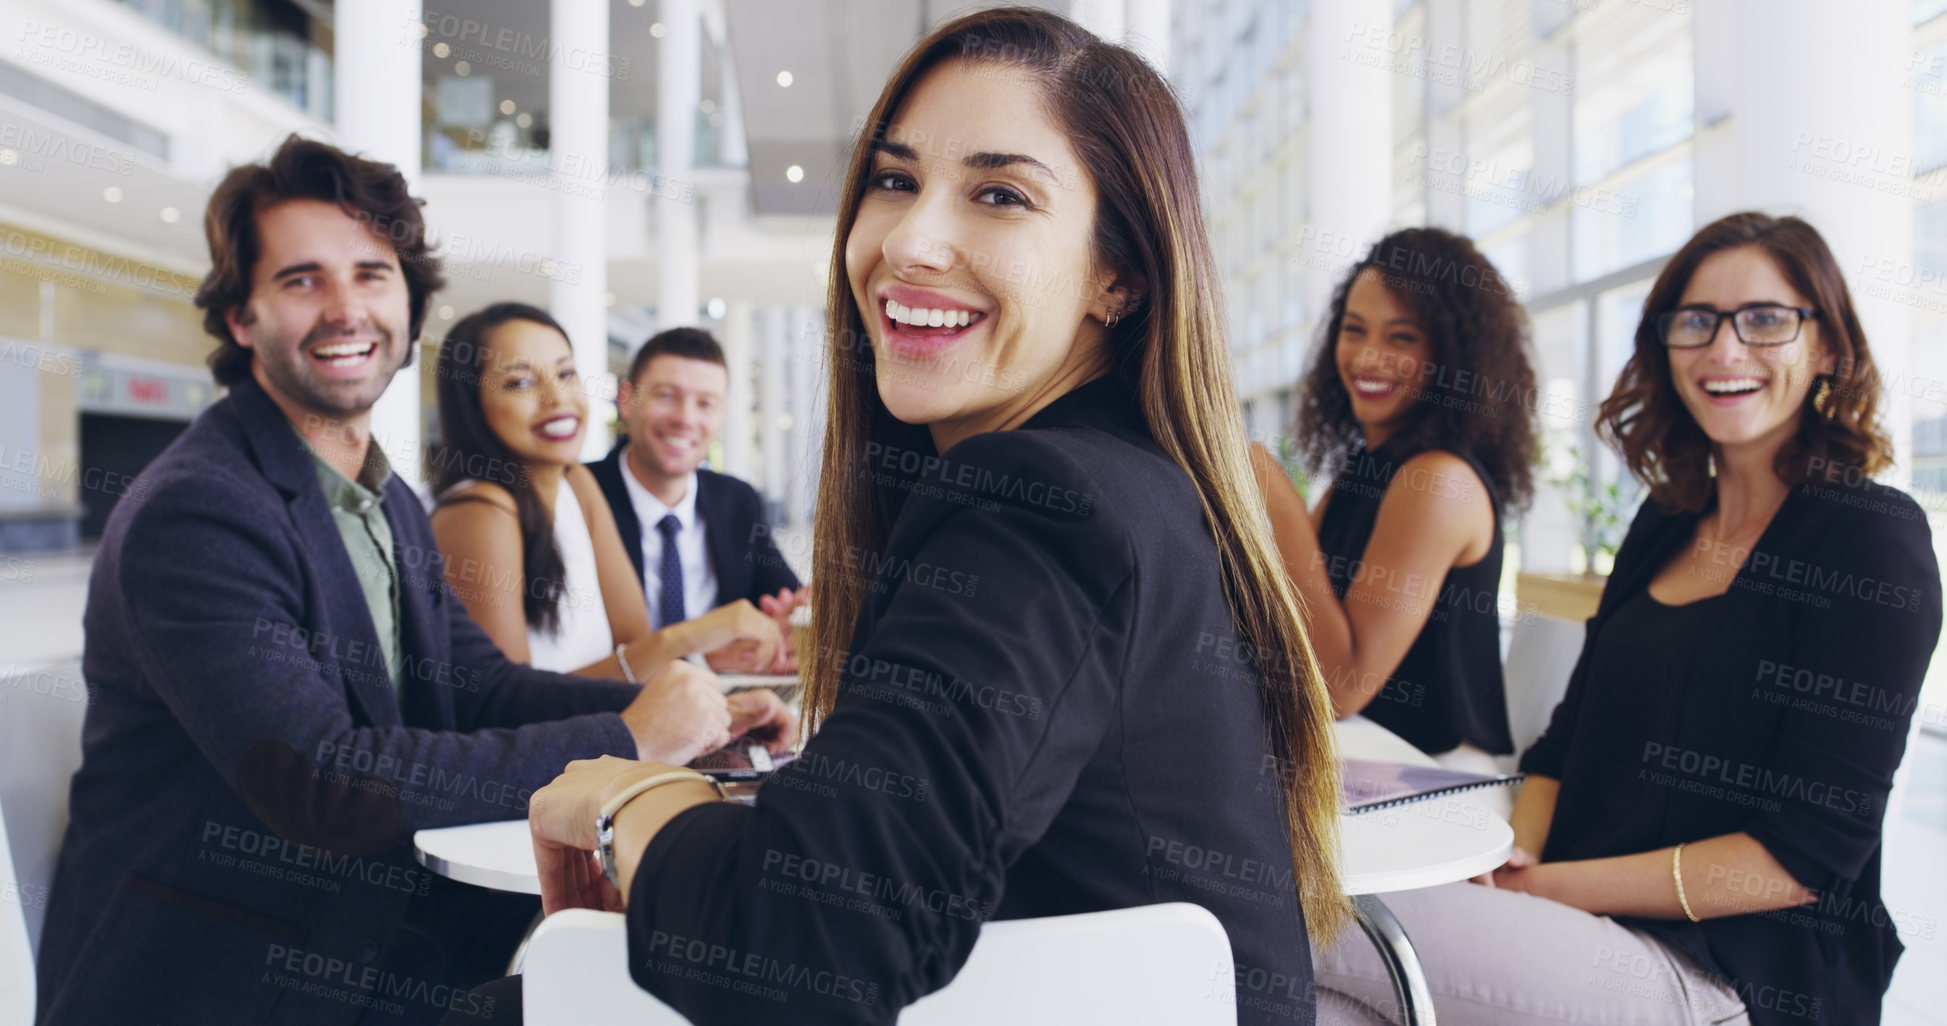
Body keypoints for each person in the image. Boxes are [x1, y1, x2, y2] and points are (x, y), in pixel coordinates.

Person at [458, 8, 1346, 1025]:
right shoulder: (1132, 480)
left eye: (1000, 195)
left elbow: (807, 940)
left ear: (1120, 274)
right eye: (894, 180)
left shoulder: (1038, 498)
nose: (911, 241)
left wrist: (631, 801)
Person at [32, 136, 788, 1026]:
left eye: (371, 274)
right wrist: (626, 737)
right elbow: (321, 782)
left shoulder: (379, 497)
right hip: (233, 972)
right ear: (242, 319)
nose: (345, 309)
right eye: (301, 280)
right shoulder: (198, 512)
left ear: (410, 304)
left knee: (664, 969)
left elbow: (481, 688)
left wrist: (696, 721)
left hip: (373, 933)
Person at [1313, 212, 1940, 1026]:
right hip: (1572, 907)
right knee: (1316, 999)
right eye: (1695, 322)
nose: (1723, 350)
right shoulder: (1668, 520)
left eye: (1764, 320)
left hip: (1724, 972)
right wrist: (1521, 851)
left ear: (1826, 348)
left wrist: (1546, 886)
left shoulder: (1868, 539)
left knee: (1303, 909)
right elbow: (1564, 741)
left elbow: (1799, 860)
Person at [1251, 228, 1537, 777]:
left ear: (1451, 355)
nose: (1367, 357)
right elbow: (1298, 631)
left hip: (1436, 780)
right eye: (1353, 331)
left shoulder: (1439, 482)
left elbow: (1340, 688)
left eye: (1401, 338)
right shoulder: (1362, 472)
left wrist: (1277, 502)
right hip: (1363, 761)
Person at [428, 303, 788, 680]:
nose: (558, 398)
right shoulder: (480, 511)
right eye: (520, 382)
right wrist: (689, 638)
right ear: (473, 404)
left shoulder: (576, 483)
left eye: (565, 373)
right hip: (573, 737)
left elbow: (635, 649)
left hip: (616, 726)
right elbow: (510, 704)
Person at [587, 328, 804, 664]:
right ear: (627, 399)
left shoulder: (737, 500)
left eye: (705, 403)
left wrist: (796, 613)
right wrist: (702, 657)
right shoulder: (580, 495)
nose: (685, 419)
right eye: (666, 396)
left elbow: (783, 600)